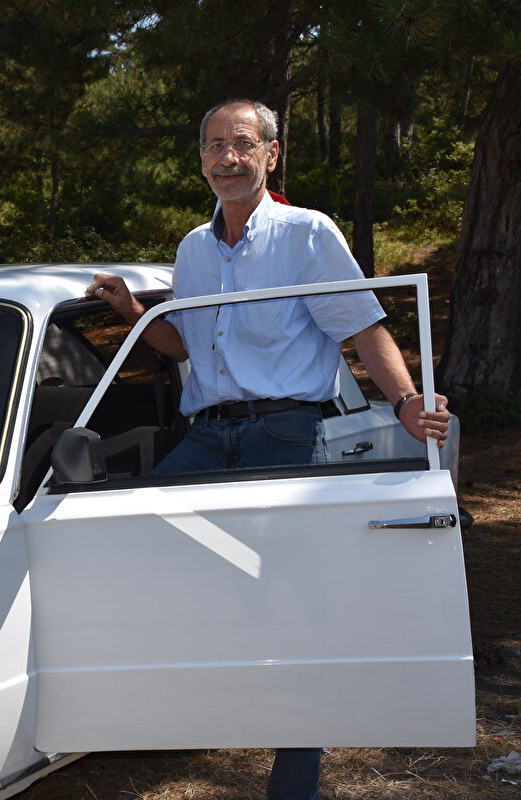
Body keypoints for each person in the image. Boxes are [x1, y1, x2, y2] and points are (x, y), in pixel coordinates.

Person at [87, 99, 451, 800]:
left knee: (290, 604)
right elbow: (185, 343)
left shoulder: (307, 234)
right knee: (128, 540)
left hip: (286, 435)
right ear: (201, 158)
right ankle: (175, 703)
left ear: (271, 155)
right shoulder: (195, 248)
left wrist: (406, 400)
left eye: (242, 144)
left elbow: (363, 322)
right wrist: (135, 314)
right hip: (208, 434)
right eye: (215, 145)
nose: (227, 157)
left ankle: (294, 778)